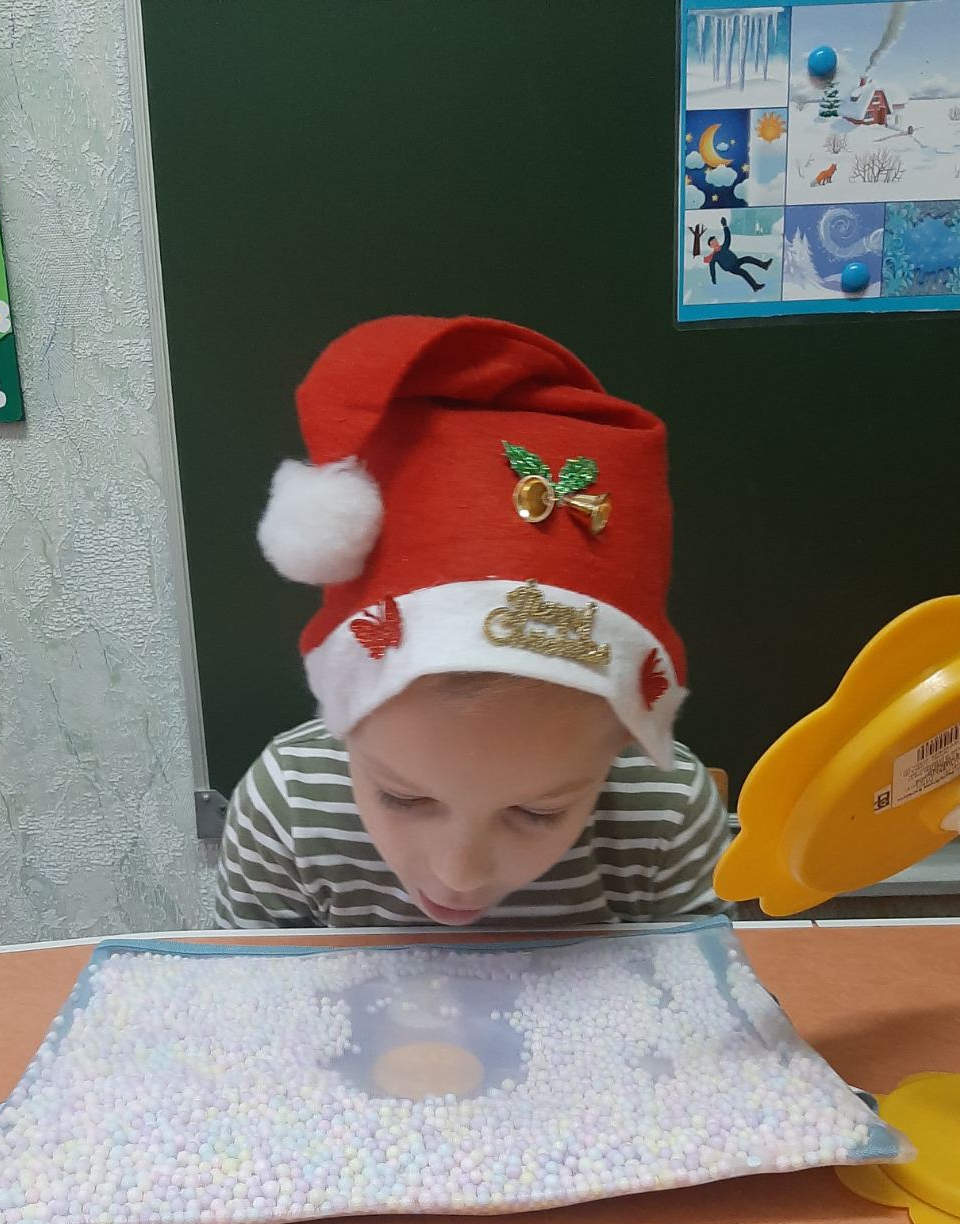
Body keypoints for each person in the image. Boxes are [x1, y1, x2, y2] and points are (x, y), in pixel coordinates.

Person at [216, 315, 728, 930]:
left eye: (537, 813)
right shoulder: (287, 810)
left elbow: (710, 982)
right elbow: (240, 987)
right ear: (347, 710)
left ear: (624, 736)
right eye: (402, 796)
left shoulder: (663, 821)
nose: (459, 875)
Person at [705, 219, 773, 292]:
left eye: (715, 241)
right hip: (731, 268)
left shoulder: (724, 247)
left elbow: (728, 238)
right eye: (713, 243)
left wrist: (725, 226)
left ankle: (764, 265)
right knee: (743, 272)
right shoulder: (714, 256)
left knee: (748, 258)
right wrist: (713, 277)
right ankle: (755, 286)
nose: (715, 243)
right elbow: (712, 267)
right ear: (711, 246)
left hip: (736, 261)